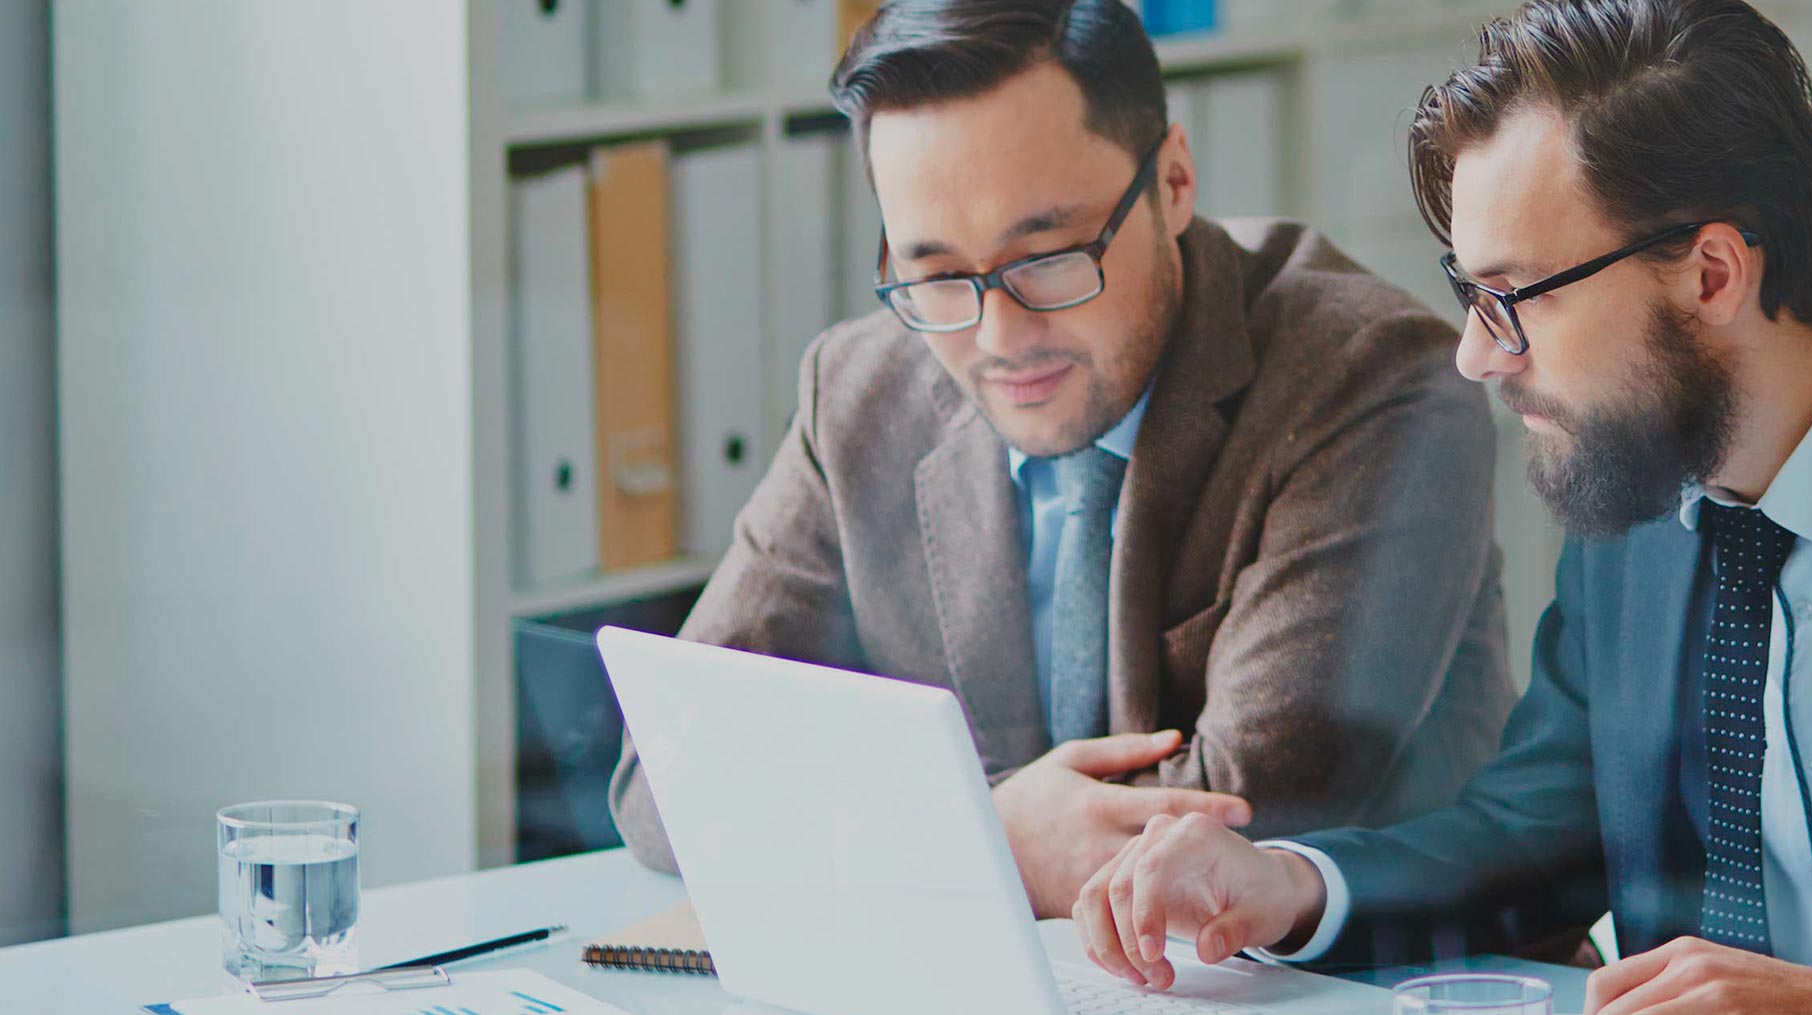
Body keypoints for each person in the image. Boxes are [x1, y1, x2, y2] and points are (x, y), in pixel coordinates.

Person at [1072, 1, 1812, 1012]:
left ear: (1711, 275)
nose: (1476, 355)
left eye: (1517, 296)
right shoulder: (1642, 484)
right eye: (1469, 294)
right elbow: (1529, 833)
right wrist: (1289, 883)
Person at [608, 0, 1516, 922]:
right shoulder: (856, 393)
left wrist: (904, 830)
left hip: (1354, 978)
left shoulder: (1373, 378)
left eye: (1047, 257)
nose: (1000, 337)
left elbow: (1233, 822)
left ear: (1173, 181)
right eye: (937, 274)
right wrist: (985, 837)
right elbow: (663, 772)